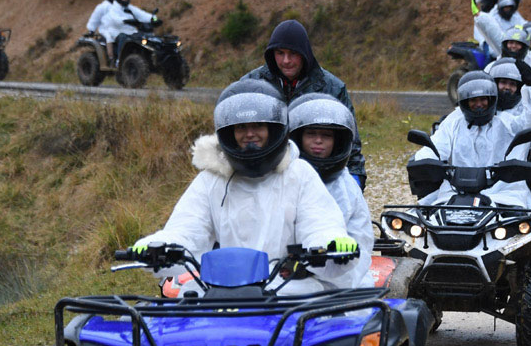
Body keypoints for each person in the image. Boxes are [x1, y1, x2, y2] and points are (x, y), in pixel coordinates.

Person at [132, 88, 356, 292]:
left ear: (273, 128)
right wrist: (158, 247)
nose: (250, 133)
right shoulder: (211, 179)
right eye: (241, 127)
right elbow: (187, 230)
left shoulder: (298, 173)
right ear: (229, 132)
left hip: (285, 287)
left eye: (258, 125)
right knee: (183, 313)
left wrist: (331, 242)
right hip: (221, 288)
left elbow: (319, 224)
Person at [242, 19, 366, 188]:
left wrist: (355, 182)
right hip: (264, 176)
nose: (286, 60)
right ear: (271, 54)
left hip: (317, 178)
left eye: (292, 53)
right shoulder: (251, 84)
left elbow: (351, 144)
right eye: (280, 53)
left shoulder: (332, 88)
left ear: (305, 53)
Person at [414, 71, 531, 209]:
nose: (479, 104)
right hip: (456, 192)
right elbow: (437, 146)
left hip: (502, 192)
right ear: (464, 102)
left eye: (483, 99)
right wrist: (423, 160)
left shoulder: (507, 123)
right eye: (473, 100)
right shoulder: (453, 122)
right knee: (422, 217)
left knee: (522, 225)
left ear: (491, 99)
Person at [288, 94, 374, 288]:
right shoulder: (284, 177)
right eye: (311, 134)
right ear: (298, 137)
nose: (318, 141)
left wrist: (342, 254)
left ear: (338, 141)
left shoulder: (346, 187)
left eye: (326, 136)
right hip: (286, 277)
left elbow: (362, 238)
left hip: (341, 280)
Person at [486, 57, 531, 132]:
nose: (507, 87)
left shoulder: (522, 112)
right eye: (503, 82)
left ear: (518, 88)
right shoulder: (484, 107)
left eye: (512, 84)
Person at [102, 0, 156, 68]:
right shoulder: (113, 8)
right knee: (123, 38)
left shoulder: (129, 7)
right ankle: (119, 61)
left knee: (143, 37)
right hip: (116, 31)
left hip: (130, 31)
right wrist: (126, 21)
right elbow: (116, 19)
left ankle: (148, 59)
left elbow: (142, 14)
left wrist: (153, 18)